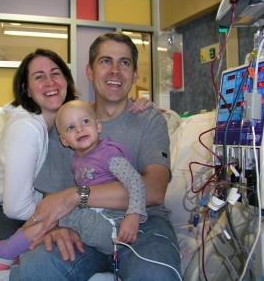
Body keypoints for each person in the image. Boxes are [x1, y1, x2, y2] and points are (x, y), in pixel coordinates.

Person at [10, 32, 182, 280]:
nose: (114, 70)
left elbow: (154, 190)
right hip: (84, 229)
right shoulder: (68, 121)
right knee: (36, 267)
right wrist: (56, 226)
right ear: (90, 72)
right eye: (105, 61)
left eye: (124, 63)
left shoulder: (149, 119)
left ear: (134, 75)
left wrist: (74, 196)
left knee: (156, 274)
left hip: (143, 224)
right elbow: (52, 198)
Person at [0, 100, 147, 270]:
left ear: (98, 126)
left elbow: (136, 181)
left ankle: (5, 252)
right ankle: (10, 251)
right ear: (64, 140)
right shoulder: (79, 160)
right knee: (50, 213)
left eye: (85, 121)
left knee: (50, 213)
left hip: (113, 227)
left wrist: (133, 216)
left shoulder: (109, 154)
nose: (79, 129)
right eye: (71, 127)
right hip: (96, 222)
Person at [0, 48, 78, 245]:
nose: (50, 82)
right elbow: (15, 208)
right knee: (46, 250)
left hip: (27, 209)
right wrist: (56, 219)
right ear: (26, 89)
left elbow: (95, 116)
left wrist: (134, 106)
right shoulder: (25, 127)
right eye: (39, 77)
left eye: (55, 73)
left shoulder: (61, 124)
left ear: (66, 81)